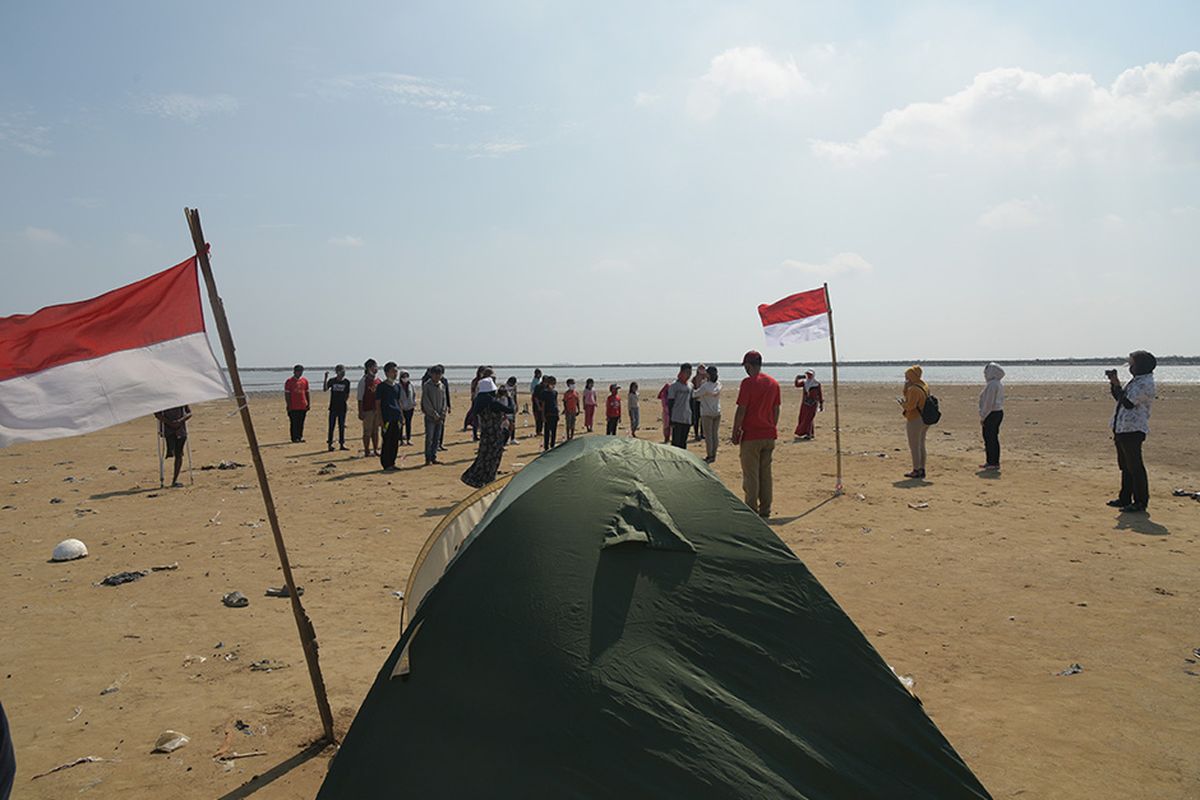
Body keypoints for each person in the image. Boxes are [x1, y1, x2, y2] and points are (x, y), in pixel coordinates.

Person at [731, 351, 780, 518]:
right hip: (768, 434)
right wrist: (772, 426)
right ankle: (765, 509)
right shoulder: (773, 383)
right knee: (765, 474)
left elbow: (741, 410)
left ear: (748, 365)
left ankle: (752, 509)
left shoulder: (748, 383)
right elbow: (776, 409)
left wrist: (735, 431)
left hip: (752, 436)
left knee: (751, 475)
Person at [1107, 351, 1157, 513]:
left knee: (1135, 466)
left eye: (1132, 363)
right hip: (1122, 427)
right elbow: (1120, 398)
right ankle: (1125, 497)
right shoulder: (1137, 381)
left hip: (1133, 429)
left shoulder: (1145, 383)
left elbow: (1128, 403)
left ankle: (1140, 501)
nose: (1130, 366)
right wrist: (1115, 384)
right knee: (1126, 466)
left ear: (1140, 365)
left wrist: (1119, 387)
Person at [462, 377, 514, 488]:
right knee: (493, 460)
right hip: (495, 435)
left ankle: (477, 480)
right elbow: (511, 409)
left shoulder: (478, 402)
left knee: (483, 458)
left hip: (485, 435)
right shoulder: (493, 404)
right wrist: (509, 397)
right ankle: (489, 482)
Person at [900, 365, 930, 479]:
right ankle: (922, 468)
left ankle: (916, 470)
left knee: (914, 446)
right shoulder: (923, 385)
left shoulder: (913, 389)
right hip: (925, 419)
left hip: (915, 419)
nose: (906, 378)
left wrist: (903, 404)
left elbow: (910, 406)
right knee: (921, 444)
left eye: (907, 376)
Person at [154, 405, 191, 487]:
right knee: (173, 453)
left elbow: (189, 413)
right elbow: (157, 414)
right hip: (168, 430)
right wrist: (170, 423)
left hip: (180, 430)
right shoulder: (162, 400)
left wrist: (180, 421)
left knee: (179, 454)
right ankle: (167, 480)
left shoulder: (182, 399)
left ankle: (175, 480)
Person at [979, 363, 1005, 471]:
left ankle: (993, 462)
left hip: (992, 413)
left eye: (986, 372)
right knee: (992, 438)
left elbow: (988, 403)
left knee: (990, 438)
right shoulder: (997, 383)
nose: (985, 374)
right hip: (997, 412)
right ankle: (991, 461)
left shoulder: (992, 385)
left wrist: (983, 416)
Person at [377, 362, 404, 471]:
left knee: (395, 441)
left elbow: (398, 401)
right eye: (393, 371)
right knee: (387, 441)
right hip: (387, 417)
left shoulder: (397, 386)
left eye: (396, 371)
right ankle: (386, 464)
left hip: (396, 417)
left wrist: (402, 416)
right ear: (387, 372)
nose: (395, 373)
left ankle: (392, 462)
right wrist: (380, 419)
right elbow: (378, 404)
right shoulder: (381, 387)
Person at [421, 365, 448, 465]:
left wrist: (443, 412)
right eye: (435, 374)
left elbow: (444, 400)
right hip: (430, 417)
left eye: (439, 374)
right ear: (431, 374)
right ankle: (427, 458)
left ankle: (434, 457)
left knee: (437, 438)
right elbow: (426, 401)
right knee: (429, 438)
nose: (437, 376)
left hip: (440, 417)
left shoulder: (442, 385)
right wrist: (433, 413)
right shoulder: (427, 386)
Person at [696, 366, 722, 462]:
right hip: (717, 411)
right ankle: (713, 454)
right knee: (715, 434)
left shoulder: (705, 386)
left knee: (709, 436)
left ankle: (710, 455)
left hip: (706, 412)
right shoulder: (718, 385)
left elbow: (695, 394)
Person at [357, 359, 382, 457]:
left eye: (376, 366)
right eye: (373, 367)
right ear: (368, 368)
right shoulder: (363, 381)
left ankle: (376, 449)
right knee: (367, 431)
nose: (375, 368)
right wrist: (360, 411)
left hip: (377, 410)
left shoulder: (378, 380)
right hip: (367, 410)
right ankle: (367, 450)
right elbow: (360, 398)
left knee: (376, 431)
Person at [323, 364, 351, 452]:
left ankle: (342, 443)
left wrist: (344, 402)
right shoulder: (332, 381)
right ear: (336, 372)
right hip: (333, 407)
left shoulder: (346, 382)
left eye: (343, 371)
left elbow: (347, 394)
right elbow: (325, 389)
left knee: (341, 426)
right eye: (340, 371)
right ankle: (330, 444)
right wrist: (325, 378)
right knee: (331, 426)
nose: (342, 373)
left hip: (342, 407)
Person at [666, 364, 694, 449]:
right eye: (687, 372)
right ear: (681, 372)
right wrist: (670, 419)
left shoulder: (690, 386)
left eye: (690, 372)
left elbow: (691, 402)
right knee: (676, 443)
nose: (688, 374)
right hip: (677, 417)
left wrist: (693, 417)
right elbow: (670, 403)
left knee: (683, 442)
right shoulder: (674, 386)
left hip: (687, 417)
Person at [793, 370, 823, 440]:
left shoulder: (816, 384)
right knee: (804, 418)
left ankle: (808, 434)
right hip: (805, 403)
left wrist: (821, 404)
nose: (809, 376)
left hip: (813, 404)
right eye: (807, 374)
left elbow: (820, 394)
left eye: (810, 375)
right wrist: (797, 378)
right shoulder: (805, 383)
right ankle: (809, 433)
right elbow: (797, 385)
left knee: (809, 418)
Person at [284, 364, 310, 443]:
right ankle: (294, 438)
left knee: (301, 422)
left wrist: (308, 403)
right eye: (298, 371)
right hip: (293, 406)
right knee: (294, 422)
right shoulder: (289, 381)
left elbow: (307, 392)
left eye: (301, 371)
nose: (299, 373)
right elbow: (287, 394)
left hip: (302, 405)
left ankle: (300, 436)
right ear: (294, 372)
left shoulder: (304, 381)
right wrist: (289, 405)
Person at [539, 376, 560, 450]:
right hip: (547, 414)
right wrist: (543, 416)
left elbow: (556, 402)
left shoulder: (555, 392)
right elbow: (543, 405)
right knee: (547, 431)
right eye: (551, 383)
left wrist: (558, 411)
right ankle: (546, 447)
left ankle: (552, 445)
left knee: (554, 431)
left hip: (554, 413)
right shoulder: (544, 393)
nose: (553, 385)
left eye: (554, 383)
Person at [398, 371, 417, 445]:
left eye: (406, 376)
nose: (405, 378)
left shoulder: (411, 385)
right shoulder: (398, 386)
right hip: (401, 408)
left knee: (408, 423)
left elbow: (414, 394)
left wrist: (413, 403)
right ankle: (400, 440)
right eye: (403, 376)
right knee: (401, 424)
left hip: (410, 407)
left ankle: (408, 439)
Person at [691, 364, 706, 441]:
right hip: (696, 400)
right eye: (701, 368)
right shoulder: (694, 378)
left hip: (704, 401)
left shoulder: (707, 378)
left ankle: (702, 434)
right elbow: (692, 388)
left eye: (703, 368)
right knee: (696, 418)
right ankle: (696, 434)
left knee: (703, 418)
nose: (702, 370)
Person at [504, 376, 520, 443]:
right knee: (506, 423)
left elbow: (515, 395)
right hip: (505, 406)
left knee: (513, 423)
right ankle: (506, 438)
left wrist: (516, 405)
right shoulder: (504, 387)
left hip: (512, 406)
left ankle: (512, 438)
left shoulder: (514, 386)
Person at [530, 368, 544, 436]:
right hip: (536, 398)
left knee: (541, 416)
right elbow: (532, 391)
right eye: (539, 373)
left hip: (540, 398)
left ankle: (540, 429)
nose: (540, 375)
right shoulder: (535, 381)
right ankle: (538, 430)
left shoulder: (540, 380)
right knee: (538, 415)